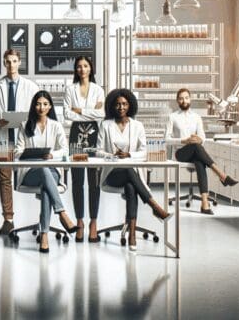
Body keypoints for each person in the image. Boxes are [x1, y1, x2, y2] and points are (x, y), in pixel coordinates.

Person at [96, 89, 171, 251]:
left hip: (132, 176)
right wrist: (112, 156)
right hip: (112, 174)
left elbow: (144, 152)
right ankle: (155, 207)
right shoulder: (105, 125)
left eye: (124, 104)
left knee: (131, 186)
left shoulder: (138, 126)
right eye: (117, 104)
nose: (121, 107)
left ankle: (132, 234)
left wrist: (129, 154)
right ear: (112, 106)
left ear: (130, 105)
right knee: (129, 171)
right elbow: (98, 151)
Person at [14, 91, 78, 253]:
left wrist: (51, 155)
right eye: (38, 104)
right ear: (33, 106)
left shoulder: (56, 126)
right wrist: (29, 154)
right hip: (30, 173)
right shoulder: (25, 125)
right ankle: (61, 213)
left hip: (52, 171)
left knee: (46, 185)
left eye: (45, 104)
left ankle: (44, 234)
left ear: (50, 107)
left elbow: (64, 150)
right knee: (43, 171)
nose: (41, 107)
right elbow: (17, 152)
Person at [0, 49, 39, 235]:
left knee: (34, 174)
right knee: (5, 178)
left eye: (14, 61)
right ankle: (8, 219)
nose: (11, 65)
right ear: (4, 63)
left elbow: (38, 111)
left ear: (19, 62)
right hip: (3, 139)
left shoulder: (31, 87)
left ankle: (42, 217)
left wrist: (28, 119)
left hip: (24, 138)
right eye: (8, 61)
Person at [165, 88, 238, 214]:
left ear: (190, 99)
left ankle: (205, 204)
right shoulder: (172, 117)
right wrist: (184, 141)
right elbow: (166, 139)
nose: (184, 100)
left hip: (195, 152)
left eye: (186, 98)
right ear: (177, 100)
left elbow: (202, 137)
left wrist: (200, 139)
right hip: (180, 153)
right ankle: (221, 175)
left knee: (200, 162)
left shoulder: (196, 117)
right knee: (196, 147)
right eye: (181, 98)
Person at [63, 56, 105, 242]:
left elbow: (101, 114)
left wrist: (79, 110)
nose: (82, 69)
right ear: (75, 69)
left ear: (91, 68)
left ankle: (93, 222)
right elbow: (66, 114)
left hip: (94, 135)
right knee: (77, 180)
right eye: (79, 66)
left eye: (85, 66)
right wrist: (90, 112)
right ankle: (79, 221)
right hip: (76, 135)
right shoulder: (70, 89)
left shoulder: (98, 90)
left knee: (94, 181)